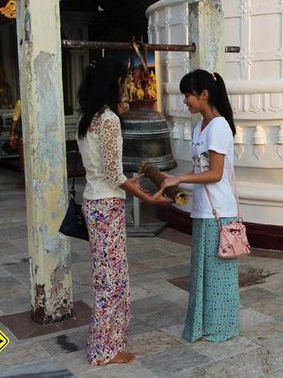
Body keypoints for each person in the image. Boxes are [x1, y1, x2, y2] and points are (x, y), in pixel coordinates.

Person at [75, 58, 171, 366]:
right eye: (122, 81)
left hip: (94, 201)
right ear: (113, 84)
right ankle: (104, 349)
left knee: (106, 278)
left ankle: (107, 344)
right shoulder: (109, 120)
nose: (125, 87)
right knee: (112, 281)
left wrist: (129, 182)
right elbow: (114, 175)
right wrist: (147, 197)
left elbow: (103, 172)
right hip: (106, 206)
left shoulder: (87, 119)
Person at [159, 69, 240, 343]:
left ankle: (221, 326)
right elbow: (202, 170)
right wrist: (179, 185)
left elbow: (215, 173)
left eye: (189, 95)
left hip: (219, 211)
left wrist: (181, 177)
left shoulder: (218, 126)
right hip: (204, 209)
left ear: (204, 95)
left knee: (218, 275)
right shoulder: (200, 127)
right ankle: (204, 325)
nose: (186, 101)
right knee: (203, 272)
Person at [8, 99, 24, 188]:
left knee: (23, 157)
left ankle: (24, 178)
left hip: (23, 133)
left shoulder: (20, 102)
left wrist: (12, 135)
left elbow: (15, 119)